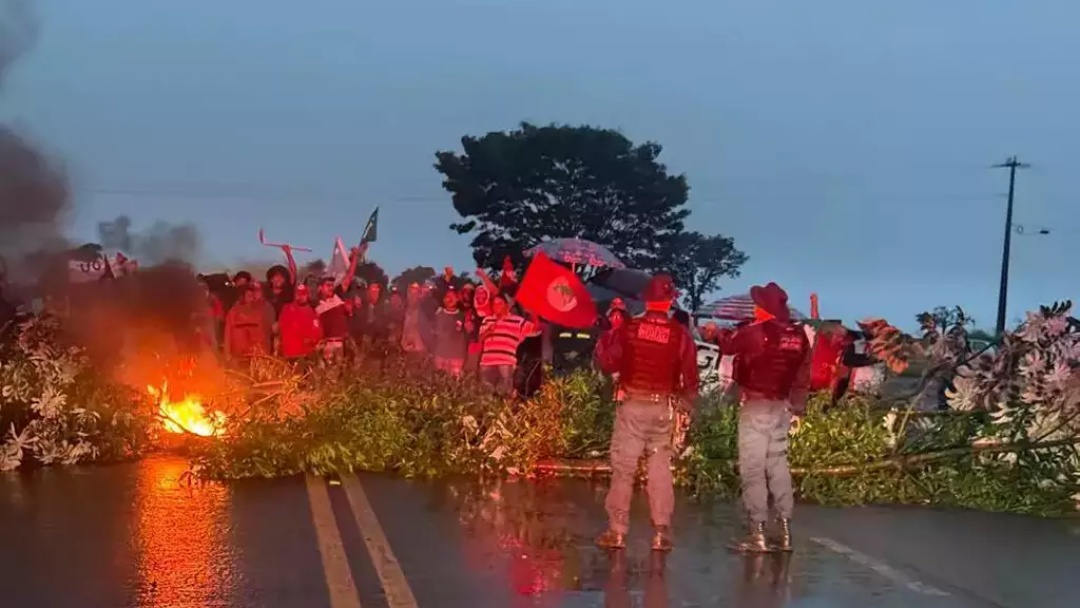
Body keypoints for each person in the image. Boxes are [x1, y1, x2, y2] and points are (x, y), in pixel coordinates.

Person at [593, 273, 699, 552]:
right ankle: (661, 532)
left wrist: (604, 341)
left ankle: (617, 532)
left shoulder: (629, 328)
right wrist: (686, 409)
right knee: (660, 467)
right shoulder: (680, 334)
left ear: (646, 300)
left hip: (633, 405)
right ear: (669, 302)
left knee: (624, 469)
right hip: (662, 407)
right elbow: (690, 377)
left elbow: (607, 362)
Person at [716, 282, 811, 553]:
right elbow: (802, 377)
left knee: (754, 470)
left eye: (757, 304)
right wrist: (798, 409)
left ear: (763, 308)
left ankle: (757, 533)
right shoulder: (799, 336)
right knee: (779, 467)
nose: (754, 308)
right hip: (781, 407)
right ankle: (785, 531)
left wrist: (718, 333)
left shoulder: (756, 333)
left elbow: (729, 347)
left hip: (756, 405)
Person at [478, 293, 539, 395]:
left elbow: (535, 330)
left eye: (499, 303)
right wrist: (487, 331)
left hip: (506, 363)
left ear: (507, 305)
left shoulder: (517, 321)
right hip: (487, 363)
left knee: (505, 395)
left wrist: (533, 314)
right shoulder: (487, 320)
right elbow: (480, 339)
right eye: (494, 303)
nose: (496, 306)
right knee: (486, 395)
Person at [278, 283, 321, 366]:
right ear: (295, 295)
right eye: (298, 294)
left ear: (307, 295)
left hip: (305, 354)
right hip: (289, 353)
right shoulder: (286, 309)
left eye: (303, 294)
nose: (301, 297)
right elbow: (282, 328)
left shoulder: (311, 312)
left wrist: (312, 340)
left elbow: (317, 331)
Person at [432, 287, 469, 376]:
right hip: (440, 355)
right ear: (444, 299)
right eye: (447, 297)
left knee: (455, 384)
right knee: (440, 382)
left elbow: (467, 335)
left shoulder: (463, 315)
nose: (449, 299)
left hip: (457, 356)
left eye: (452, 297)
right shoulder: (438, 314)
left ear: (457, 299)